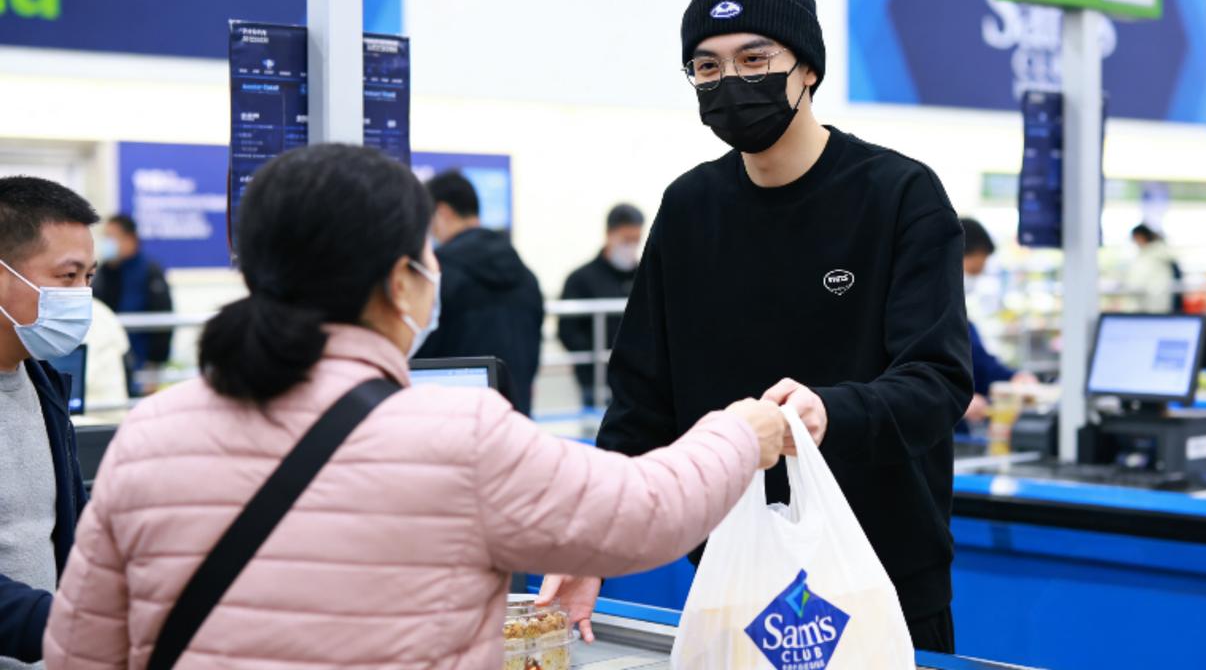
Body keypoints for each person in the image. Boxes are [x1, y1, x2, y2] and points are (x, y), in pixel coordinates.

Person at [41, 144, 789, 669]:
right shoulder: (457, 435)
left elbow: (83, 651)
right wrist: (738, 434)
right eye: (427, 257)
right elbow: (644, 512)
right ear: (400, 281)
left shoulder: (151, 432)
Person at [544, 0, 973, 654]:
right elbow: (640, 403)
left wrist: (828, 411)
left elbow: (937, 382)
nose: (730, 82)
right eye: (707, 67)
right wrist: (591, 544)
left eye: (754, 59)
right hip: (733, 580)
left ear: (808, 68)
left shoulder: (899, 196)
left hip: (883, 579)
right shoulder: (689, 210)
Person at [0, 177, 96, 667]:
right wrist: (71, 627)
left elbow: (64, 524)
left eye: (89, 277)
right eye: (68, 276)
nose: (83, 295)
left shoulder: (44, 387)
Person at [414, 171, 544, 414]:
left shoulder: (438, 276)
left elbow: (422, 353)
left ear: (443, 212)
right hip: (517, 416)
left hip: (457, 419)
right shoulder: (525, 274)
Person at [558, 203, 645, 407]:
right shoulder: (581, 279)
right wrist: (602, 356)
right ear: (609, 234)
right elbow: (567, 331)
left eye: (636, 239)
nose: (631, 246)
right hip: (596, 381)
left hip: (640, 382)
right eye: (626, 239)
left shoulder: (645, 277)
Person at [958, 218, 1036, 426]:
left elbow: (982, 364)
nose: (977, 277)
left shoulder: (962, 322)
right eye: (974, 270)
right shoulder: (921, 316)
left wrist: (1014, 377)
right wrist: (954, 399)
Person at [91, 214, 174, 389]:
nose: (107, 243)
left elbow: (163, 320)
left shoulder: (149, 271)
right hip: (111, 360)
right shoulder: (103, 272)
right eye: (106, 237)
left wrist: (154, 366)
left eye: (111, 237)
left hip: (141, 361)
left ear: (130, 239)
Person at [1127, 223, 1179, 313]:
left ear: (1144, 236)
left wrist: (1158, 239)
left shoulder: (1158, 250)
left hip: (1156, 298)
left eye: (1137, 237)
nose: (1136, 241)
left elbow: (1172, 256)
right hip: (1142, 298)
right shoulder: (1141, 253)